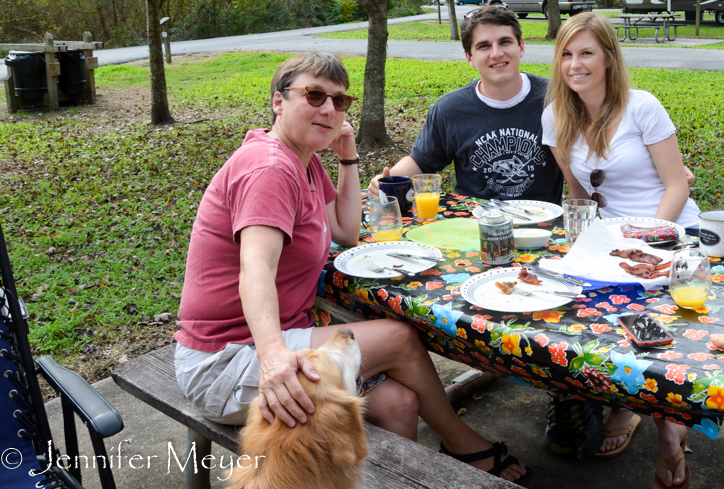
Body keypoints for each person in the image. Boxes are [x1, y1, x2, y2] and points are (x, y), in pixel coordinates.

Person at [174, 53, 529, 484]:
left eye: (340, 101)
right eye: (314, 95)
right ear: (278, 102)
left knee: (399, 403)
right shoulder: (269, 167)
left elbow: (345, 230)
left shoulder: (301, 160)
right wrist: (272, 361)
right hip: (225, 361)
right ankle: (463, 444)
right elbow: (255, 270)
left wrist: (347, 157)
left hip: (278, 337)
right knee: (398, 338)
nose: (329, 109)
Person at [541, 13, 699, 488]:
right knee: (584, 321)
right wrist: (588, 248)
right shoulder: (555, 116)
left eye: (586, 52)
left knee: (659, 335)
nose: (575, 64)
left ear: (609, 57)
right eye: (567, 54)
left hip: (666, 235)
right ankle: (626, 405)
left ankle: (669, 429)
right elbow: (579, 196)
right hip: (607, 243)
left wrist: (641, 243)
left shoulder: (642, 107)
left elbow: (676, 185)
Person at [368, 4, 563, 205]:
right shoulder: (450, 109)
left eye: (505, 42)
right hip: (473, 226)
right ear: (469, 57)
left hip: (543, 225)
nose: (496, 53)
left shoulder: (558, 97)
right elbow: (421, 161)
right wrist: (386, 180)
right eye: (484, 46)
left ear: (521, 47)